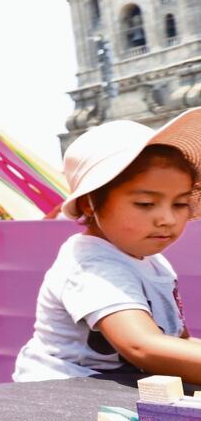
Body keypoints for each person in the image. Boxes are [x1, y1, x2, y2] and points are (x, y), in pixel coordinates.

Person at [14, 114, 201, 385]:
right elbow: (142, 346)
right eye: (146, 204)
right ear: (91, 204)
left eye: (180, 204)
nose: (167, 219)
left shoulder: (155, 262)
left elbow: (176, 342)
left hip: (121, 389)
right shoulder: (92, 265)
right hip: (62, 396)